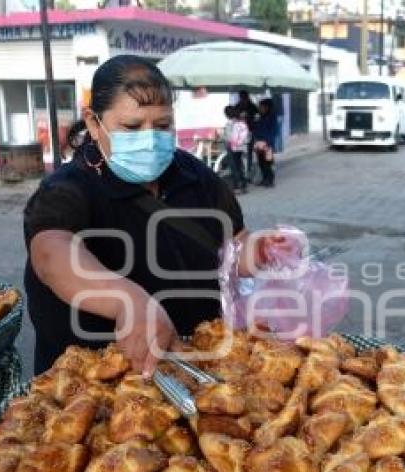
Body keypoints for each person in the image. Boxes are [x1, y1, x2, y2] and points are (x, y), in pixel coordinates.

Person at [24, 55, 284, 375]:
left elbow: (234, 244)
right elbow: (51, 253)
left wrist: (260, 250)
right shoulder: (68, 188)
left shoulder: (195, 175)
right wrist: (126, 300)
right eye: (132, 126)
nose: (150, 137)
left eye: (162, 126)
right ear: (94, 124)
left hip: (197, 370)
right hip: (95, 386)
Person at [222, 105, 249, 194]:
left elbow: (229, 138)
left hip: (232, 147)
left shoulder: (230, 123)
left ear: (227, 114)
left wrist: (222, 136)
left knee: (234, 167)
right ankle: (244, 185)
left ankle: (237, 187)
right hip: (241, 147)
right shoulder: (240, 121)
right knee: (239, 165)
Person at [253, 98, 279, 188]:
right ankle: (264, 179)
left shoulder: (272, 117)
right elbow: (255, 128)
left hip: (267, 144)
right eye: (259, 107)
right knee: (261, 162)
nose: (260, 108)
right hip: (259, 143)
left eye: (262, 107)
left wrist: (267, 142)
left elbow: (274, 131)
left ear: (267, 107)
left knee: (268, 162)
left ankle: (270, 180)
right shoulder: (259, 117)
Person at [235, 90, 258, 176]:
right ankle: (242, 169)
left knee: (249, 151)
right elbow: (234, 117)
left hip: (250, 131)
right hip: (239, 133)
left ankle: (248, 170)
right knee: (240, 152)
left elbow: (257, 116)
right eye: (242, 97)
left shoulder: (252, 106)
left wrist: (251, 121)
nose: (243, 99)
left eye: (244, 97)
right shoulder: (237, 107)